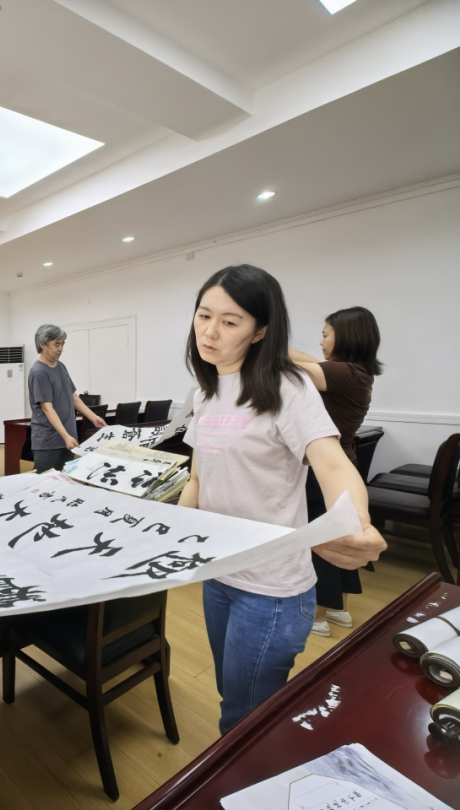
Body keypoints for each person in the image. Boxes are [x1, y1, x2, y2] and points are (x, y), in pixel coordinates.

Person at [178, 265, 386, 735]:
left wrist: (356, 523)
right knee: (233, 699)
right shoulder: (206, 393)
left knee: (245, 720)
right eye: (204, 316)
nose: (210, 332)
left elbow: (331, 464)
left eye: (230, 321)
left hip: (270, 589)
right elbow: (198, 478)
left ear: (260, 331)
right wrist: (169, 541)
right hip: (218, 575)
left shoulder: (287, 387)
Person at [289, 307, 383, 637]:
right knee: (341, 536)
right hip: (344, 465)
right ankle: (339, 609)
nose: (321, 341)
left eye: (325, 334)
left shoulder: (343, 373)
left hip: (324, 470)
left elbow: (295, 366)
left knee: (322, 541)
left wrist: (263, 341)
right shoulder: (357, 373)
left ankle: (316, 616)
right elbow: (309, 360)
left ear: (345, 337)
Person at [28, 324, 106, 473]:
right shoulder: (39, 372)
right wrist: (65, 436)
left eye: (62, 344)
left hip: (68, 438)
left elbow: (72, 396)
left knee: (65, 480)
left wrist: (93, 417)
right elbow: (47, 409)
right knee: (45, 482)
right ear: (42, 344)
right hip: (49, 441)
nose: (61, 349)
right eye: (56, 344)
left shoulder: (60, 366)